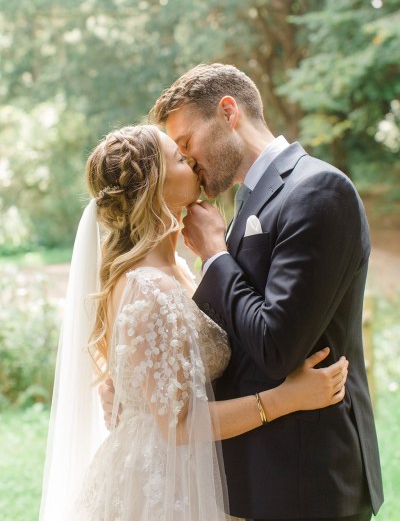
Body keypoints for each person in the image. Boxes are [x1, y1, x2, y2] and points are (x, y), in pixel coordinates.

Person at [39, 124, 349, 521]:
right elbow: (178, 424)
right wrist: (288, 398)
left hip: (198, 473)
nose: (194, 163)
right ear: (155, 186)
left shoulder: (180, 271)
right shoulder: (146, 289)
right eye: (180, 158)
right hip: (162, 487)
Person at [146, 63, 384, 521]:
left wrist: (216, 253)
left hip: (307, 478)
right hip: (254, 472)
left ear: (228, 112)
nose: (188, 159)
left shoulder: (317, 189)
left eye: (186, 142)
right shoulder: (243, 204)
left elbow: (276, 344)